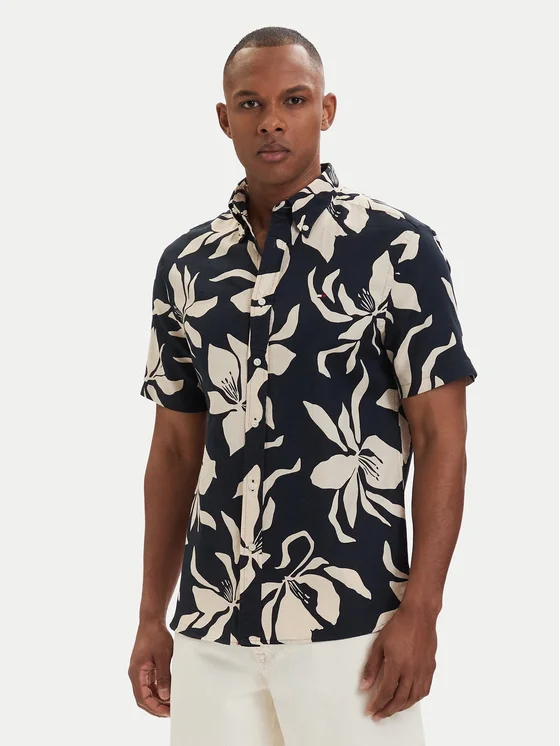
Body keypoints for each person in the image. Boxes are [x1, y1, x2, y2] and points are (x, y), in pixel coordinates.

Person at [128, 25, 478, 746]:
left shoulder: (397, 248)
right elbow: (174, 450)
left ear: (327, 110)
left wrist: (422, 611)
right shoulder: (186, 265)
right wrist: (150, 618)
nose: (272, 121)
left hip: (352, 622)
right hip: (212, 623)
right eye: (250, 104)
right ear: (224, 118)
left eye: (293, 100)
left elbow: (442, 436)